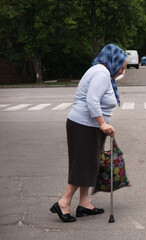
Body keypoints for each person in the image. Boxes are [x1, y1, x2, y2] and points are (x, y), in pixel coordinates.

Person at [49, 44, 127, 223]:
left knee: (90, 164)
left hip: (87, 125)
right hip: (85, 125)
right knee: (83, 164)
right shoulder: (101, 73)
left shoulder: (100, 71)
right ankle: (64, 202)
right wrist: (103, 123)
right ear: (113, 61)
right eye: (122, 66)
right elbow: (92, 100)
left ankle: (84, 203)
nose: (123, 70)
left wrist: (102, 124)